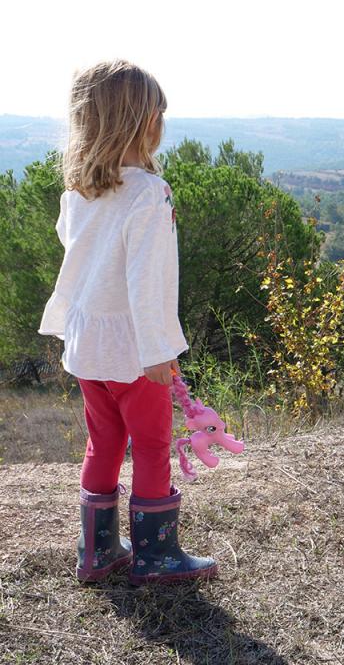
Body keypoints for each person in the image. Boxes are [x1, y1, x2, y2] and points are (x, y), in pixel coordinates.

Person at [38, 60, 216, 584]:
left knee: (104, 442)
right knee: (154, 443)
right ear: (146, 123)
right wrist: (158, 351)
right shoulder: (148, 194)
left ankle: (96, 553)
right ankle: (156, 557)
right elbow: (146, 281)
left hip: (87, 341)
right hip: (135, 348)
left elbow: (77, 253)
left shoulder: (79, 192)